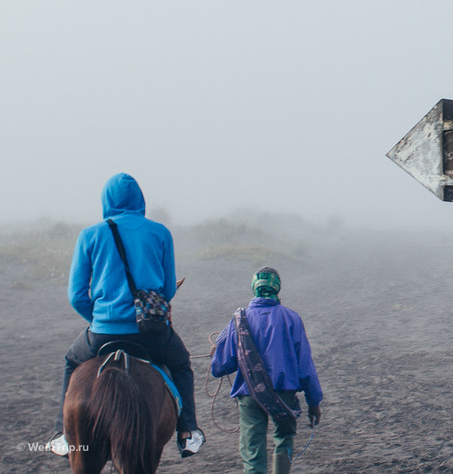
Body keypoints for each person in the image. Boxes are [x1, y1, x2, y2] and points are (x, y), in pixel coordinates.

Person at [49, 173, 204, 457]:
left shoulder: (90, 234)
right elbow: (167, 289)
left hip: (102, 333)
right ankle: (188, 431)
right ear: (140, 200)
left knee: (72, 361)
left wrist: (99, 319)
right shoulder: (160, 232)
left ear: (106, 201)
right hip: (150, 332)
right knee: (181, 363)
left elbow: (76, 295)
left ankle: (62, 432)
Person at [211, 266, 323, 474]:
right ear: (277, 288)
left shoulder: (239, 319)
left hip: (250, 394)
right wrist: (314, 402)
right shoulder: (292, 319)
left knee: (252, 447)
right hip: (284, 394)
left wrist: (217, 351)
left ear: (254, 287)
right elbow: (305, 366)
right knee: (284, 438)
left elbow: (220, 367)